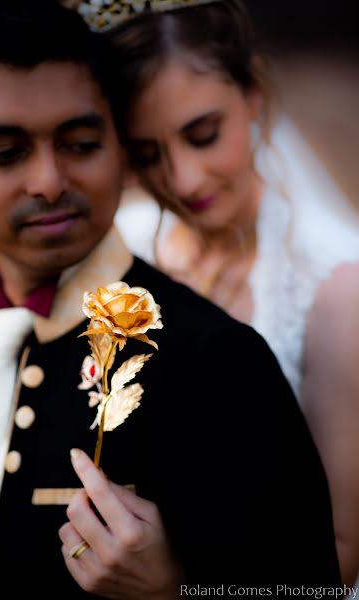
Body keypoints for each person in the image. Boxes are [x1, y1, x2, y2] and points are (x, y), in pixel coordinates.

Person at [0, 1, 341, 598]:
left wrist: (180, 589)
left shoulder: (217, 359)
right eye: (5, 153)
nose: (49, 182)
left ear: (118, 155)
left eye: (81, 143)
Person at [98, 0, 359, 584]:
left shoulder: (337, 297)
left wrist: (172, 588)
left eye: (204, 134)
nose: (183, 181)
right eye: (147, 155)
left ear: (254, 97)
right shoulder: (126, 255)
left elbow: (339, 553)